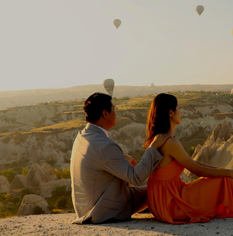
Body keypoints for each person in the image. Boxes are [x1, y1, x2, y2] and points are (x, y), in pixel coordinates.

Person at [144, 93, 233, 224]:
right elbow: (197, 170)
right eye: (179, 108)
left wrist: (220, 170)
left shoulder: (162, 139)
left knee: (222, 174)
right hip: (173, 204)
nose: (181, 113)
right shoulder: (170, 143)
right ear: (170, 113)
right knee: (223, 179)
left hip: (165, 200)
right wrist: (228, 173)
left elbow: (192, 162)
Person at [70, 92, 171, 224]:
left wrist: (123, 156)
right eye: (114, 109)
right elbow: (136, 177)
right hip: (103, 211)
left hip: (87, 207)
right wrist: (153, 147)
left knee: (150, 190)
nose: (116, 113)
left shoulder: (83, 136)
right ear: (105, 114)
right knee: (159, 188)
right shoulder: (104, 146)